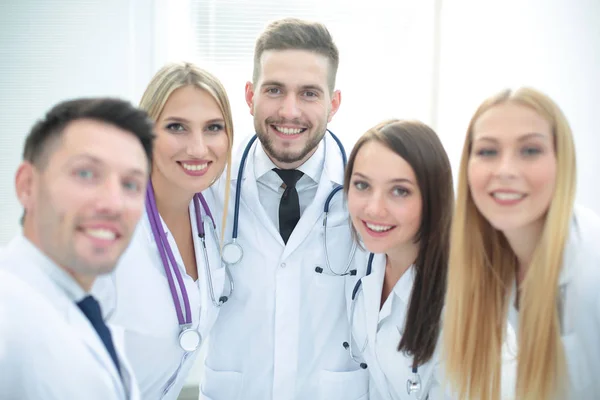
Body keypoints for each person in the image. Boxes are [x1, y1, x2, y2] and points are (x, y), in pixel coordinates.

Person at [203, 18, 369, 400]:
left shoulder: (365, 194)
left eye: (309, 93)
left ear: (334, 103)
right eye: (274, 90)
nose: (289, 111)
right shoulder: (208, 189)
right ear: (249, 96)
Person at [442, 87, 600, 399]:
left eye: (530, 151)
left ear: (562, 162)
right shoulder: (493, 260)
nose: (505, 171)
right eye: (488, 151)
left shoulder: (591, 270)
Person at [92, 62, 234, 400]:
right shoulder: (106, 229)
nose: (199, 148)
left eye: (213, 127)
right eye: (177, 127)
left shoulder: (211, 214)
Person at [0, 97, 154, 399]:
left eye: (130, 184)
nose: (113, 203)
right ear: (27, 185)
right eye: (86, 174)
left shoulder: (80, 303)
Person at [343, 120, 454, 399]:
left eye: (400, 191)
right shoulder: (367, 261)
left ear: (433, 198)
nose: (374, 208)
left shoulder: (459, 300)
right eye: (362, 185)